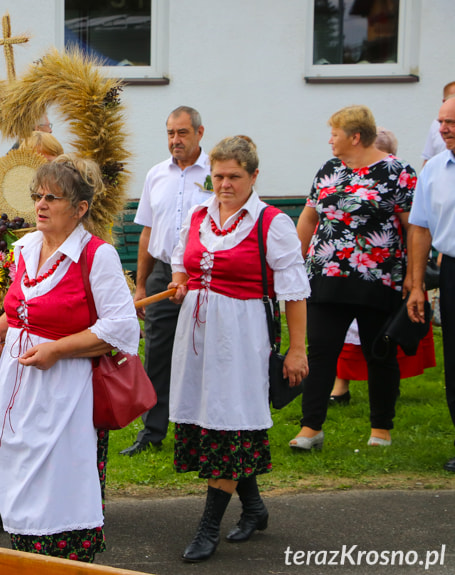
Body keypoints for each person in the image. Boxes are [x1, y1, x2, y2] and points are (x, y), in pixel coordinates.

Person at [0, 155, 139, 562]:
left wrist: (56, 349)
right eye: (37, 196)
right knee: (20, 484)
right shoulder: (27, 248)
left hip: (66, 393)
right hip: (18, 387)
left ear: (80, 208)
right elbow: (19, 308)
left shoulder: (95, 256)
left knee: (59, 489)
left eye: (53, 197)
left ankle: (65, 565)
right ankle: (27, 561)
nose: (41, 205)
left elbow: (121, 329)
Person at [168, 136, 309, 562]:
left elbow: (295, 291)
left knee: (230, 422)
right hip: (197, 336)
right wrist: (179, 283)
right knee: (217, 422)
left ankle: (209, 527)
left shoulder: (271, 222)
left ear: (254, 177)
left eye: (234, 176)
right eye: (218, 176)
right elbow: (181, 260)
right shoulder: (198, 215)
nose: (224, 184)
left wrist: (298, 350)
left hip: (242, 336)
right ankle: (254, 507)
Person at [294, 105, 416, 450]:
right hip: (325, 275)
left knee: (379, 353)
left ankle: (381, 429)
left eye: (335, 133)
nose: (330, 140)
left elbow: (413, 227)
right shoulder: (330, 169)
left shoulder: (397, 172)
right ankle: (310, 428)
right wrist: (293, 261)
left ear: (356, 137)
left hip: (377, 278)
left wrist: (415, 276)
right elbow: (308, 218)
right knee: (320, 352)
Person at [120, 105, 212, 457]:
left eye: (183, 133)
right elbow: (146, 232)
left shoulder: (215, 175)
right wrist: (141, 285)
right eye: (171, 133)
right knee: (157, 352)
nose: (175, 140)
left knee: (201, 350)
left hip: (203, 273)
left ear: (200, 133)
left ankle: (202, 431)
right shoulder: (157, 174)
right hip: (161, 272)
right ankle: (153, 431)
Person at [330, 127, 435, 404]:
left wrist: (414, 274)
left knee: (383, 333)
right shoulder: (338, 176)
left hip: (386, 271)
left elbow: (414, 228)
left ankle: (385, 390)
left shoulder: (399, 180)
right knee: (345, 332)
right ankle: (340, 386)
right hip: (345, 271)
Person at [407, 96, 455, 473]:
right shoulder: (435, 169)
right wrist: (417, 283)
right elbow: (420, 228)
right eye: (441, 121)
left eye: (451, 121)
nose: (444, 128)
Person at [421, 81, 455, 166]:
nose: (443, 130)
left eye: (451, 122)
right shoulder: (436, 125)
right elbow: (428, 158)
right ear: (444, 101)